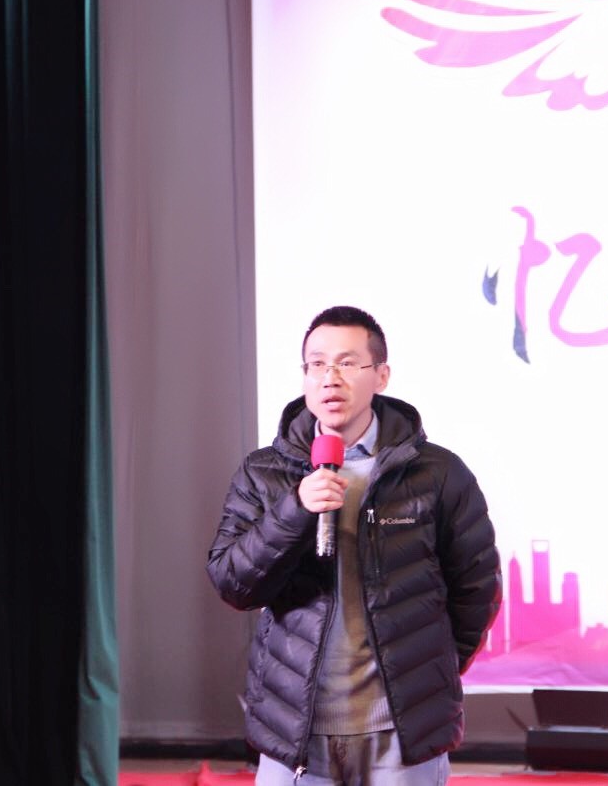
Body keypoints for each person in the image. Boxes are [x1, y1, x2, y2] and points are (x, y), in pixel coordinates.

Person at [207, 305, 502, 785]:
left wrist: (432, 672)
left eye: (347, 363)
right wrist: (295, 510)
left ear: (381, 375)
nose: (330, 378)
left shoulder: (437, 473)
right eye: (317, 364)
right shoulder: (263, 473)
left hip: (399, 733)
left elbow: (477, 589)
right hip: (295, 728)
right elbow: (233, 583)